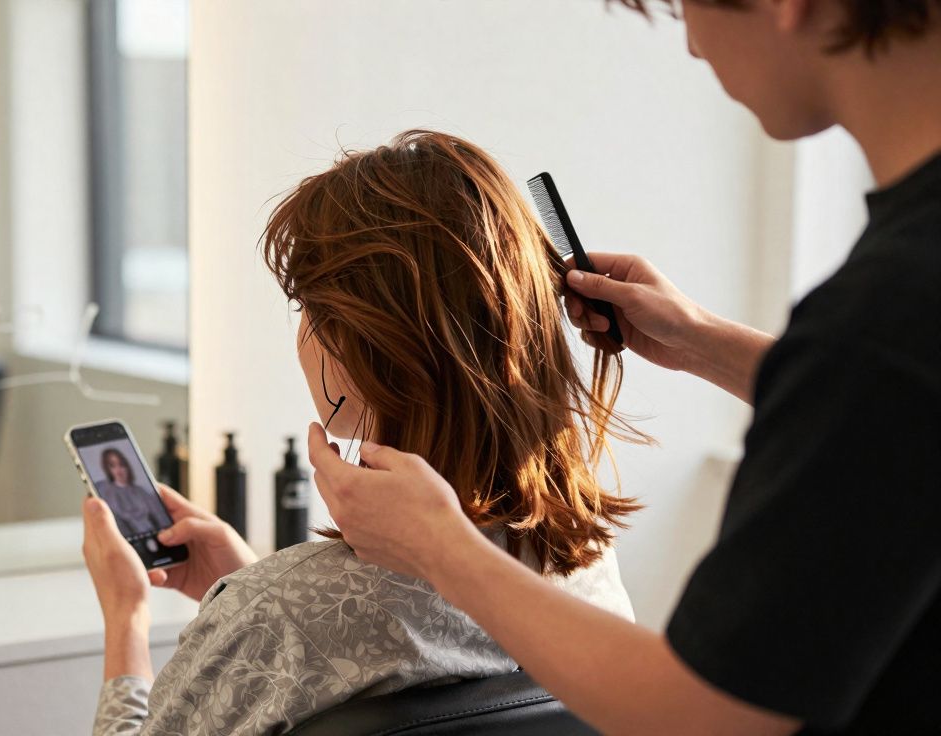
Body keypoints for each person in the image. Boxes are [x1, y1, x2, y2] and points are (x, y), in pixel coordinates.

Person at [292, 1, 941, 733]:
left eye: (681, 5)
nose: (692, 44)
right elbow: (896, 418)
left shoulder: (886, 314)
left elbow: (702, 715)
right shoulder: (893, 321)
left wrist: (444, 551)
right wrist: (701, 340)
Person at [82, 131, 648, 734]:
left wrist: (127, 623)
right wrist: (251, 581)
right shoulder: (586, 569)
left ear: (356, 345)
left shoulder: (273, 616)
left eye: (308, 310)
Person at [92, 447, 170, 538]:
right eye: (113, 465)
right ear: (108, 469)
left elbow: (160, 517)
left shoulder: (141, 491)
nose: (118, 470)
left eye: (121, 464)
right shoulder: (107, 491)